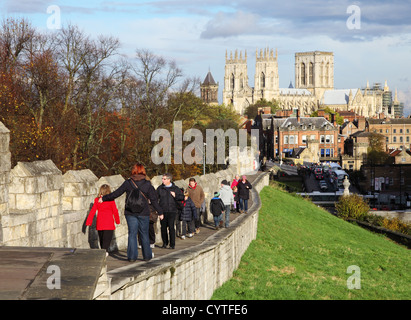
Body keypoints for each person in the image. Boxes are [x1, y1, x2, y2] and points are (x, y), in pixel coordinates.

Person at [99, 163, 163, 262]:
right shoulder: (147, 184)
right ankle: (147, 256)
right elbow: (154, 200)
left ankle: (132, 257)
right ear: (143, 171)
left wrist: (104, 198)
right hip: (143, 212)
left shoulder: (128, 183)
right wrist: (160, 212)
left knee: (132, 234)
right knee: (144, 234)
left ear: (133, 171)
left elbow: (116, 194)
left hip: (130, 212)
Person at [86, 184, 120, 256]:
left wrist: (89, 221)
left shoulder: (97, 200)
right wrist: (117, 220)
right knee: (106, 241)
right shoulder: (111, 200)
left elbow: (93, 211)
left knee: (101, 240)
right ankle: (105, 253)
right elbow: (115, 211)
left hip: (100, 223)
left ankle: (103, 253)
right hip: (109, 224)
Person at [157, 173, 184, 249]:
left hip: (172, 210)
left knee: (171, 227)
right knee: (163, 228)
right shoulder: (160, 188)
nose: (162, 180)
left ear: (169, 180)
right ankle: (165, 243)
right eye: (162, 179)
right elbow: (155, 198)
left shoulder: (175, 188)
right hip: (163, 211)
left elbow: (182, 197)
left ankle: (172, 244)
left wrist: (175, 195)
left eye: (164, 179)